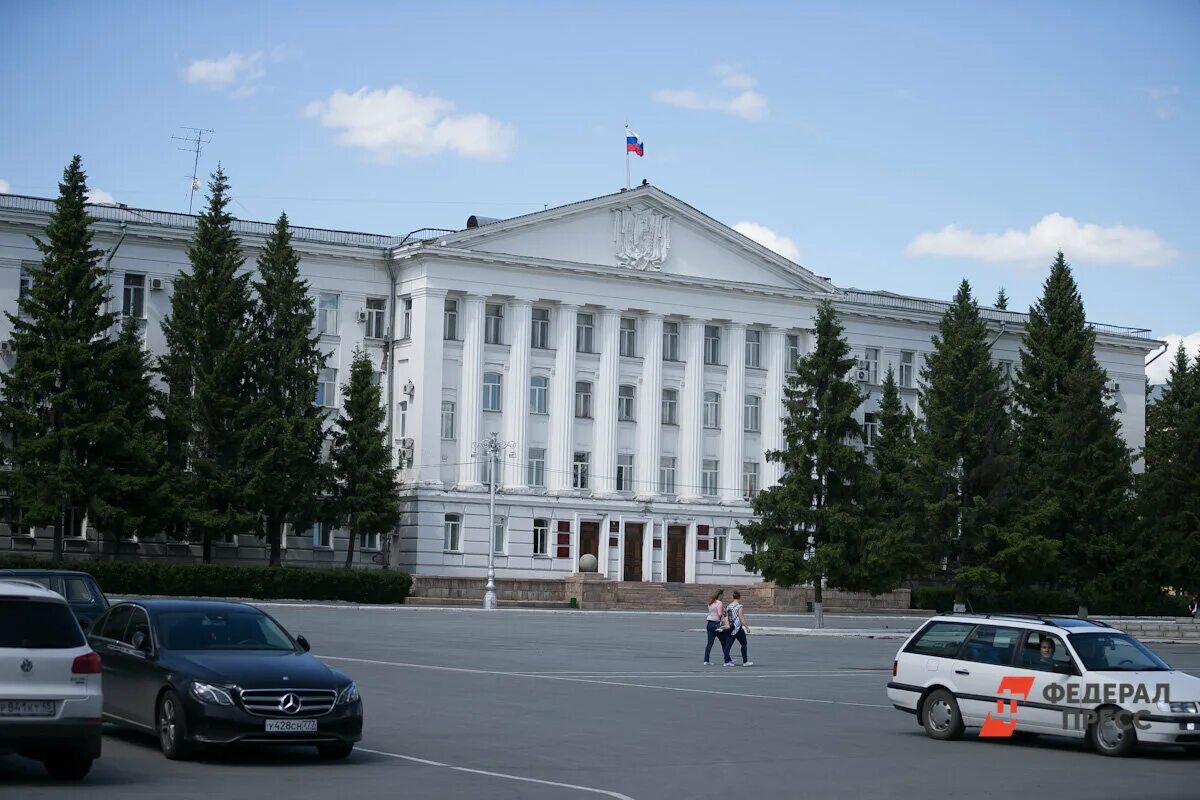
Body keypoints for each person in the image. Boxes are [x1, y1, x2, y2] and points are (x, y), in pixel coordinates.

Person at [722, 590, 753, 666]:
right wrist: (747, 627)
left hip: (730, 628)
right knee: (744, 644)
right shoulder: (739, 606)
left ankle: (726, 661)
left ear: (733, 597)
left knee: (728, 645)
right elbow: (741, 618)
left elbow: (726, 616)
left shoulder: (729, 606)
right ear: (739, 597)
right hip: (738, 628)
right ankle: (745, 661)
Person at [704, 589, 733, 666]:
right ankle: (727, 660)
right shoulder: (719, 603)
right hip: (717, 624)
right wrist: (724, 613)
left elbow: (712, 612)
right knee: (724, 642)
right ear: (720, 595)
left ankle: (706, 660)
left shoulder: (710, 603)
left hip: (709, 623)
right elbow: (719, 614)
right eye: (723, 595)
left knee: (710, 642)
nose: (723, 596)